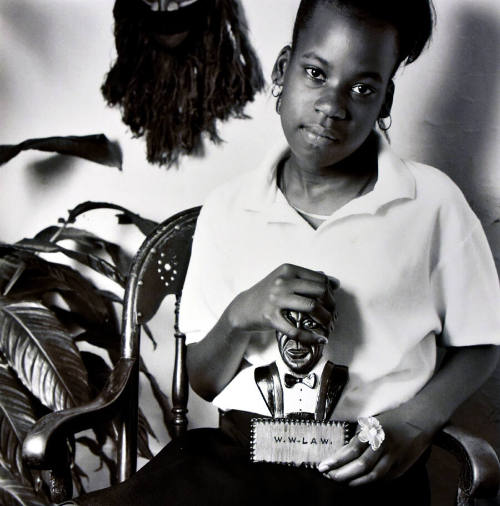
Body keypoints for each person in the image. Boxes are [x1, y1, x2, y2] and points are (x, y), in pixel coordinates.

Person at [74, 0, 500, 504]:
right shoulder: (228, 209)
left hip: (362, 467)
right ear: (283, 70)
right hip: (239, 457)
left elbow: (481, 341)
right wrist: (239, 316)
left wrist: (415, 420)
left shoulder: (432, 203)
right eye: (316, 74)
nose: (332, 105)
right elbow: (206, 383)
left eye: (363, 88)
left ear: (385, 101)